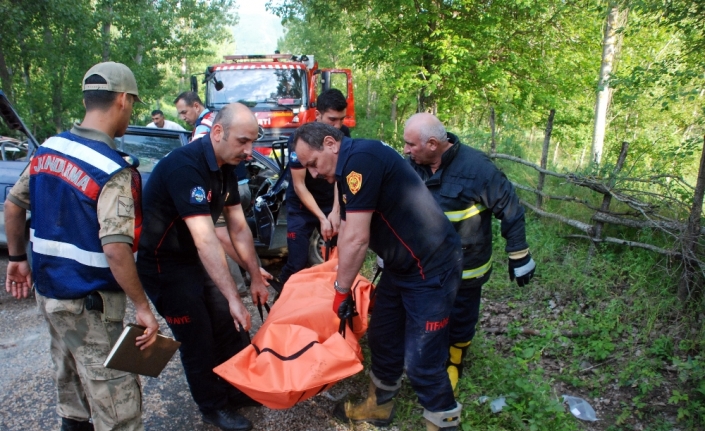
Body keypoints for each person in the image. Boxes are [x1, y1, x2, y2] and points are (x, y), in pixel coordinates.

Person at [4, 62, 160, 431]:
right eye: (132, 104)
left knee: (70, 385)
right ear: (123, 100)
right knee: (117, 405)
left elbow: (13, 205)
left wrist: (16, 259)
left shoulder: (48, 150)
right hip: (91, 306)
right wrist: (142, 306)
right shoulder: (113, 170)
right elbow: (116, 249)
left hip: (50, 297)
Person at [292, 122, 464, 431]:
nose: (314, 174)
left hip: (432, 267)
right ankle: (379, 408)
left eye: (313, 164)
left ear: (331, 144)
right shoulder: (351, 161)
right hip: (401, 266)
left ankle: (444, 421)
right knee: (383, 336)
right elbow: (346, 227)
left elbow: (357, 238)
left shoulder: (360, 161)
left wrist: (341, 291)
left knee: (422, 359)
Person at [136, 103, 270, 431]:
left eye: (253, 142)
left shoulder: (227, 165)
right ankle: (212, 406)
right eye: (243, 141)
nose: (249, 151)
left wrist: (254, 276)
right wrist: (234, 297)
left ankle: (235, 389)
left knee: (229, 326)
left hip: (193, 259)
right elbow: (205, 239)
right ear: (218, 132)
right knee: (198, 339)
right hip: (164, 266)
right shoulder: (186, 167)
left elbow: (237, 227)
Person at [403, 113, 536, 396]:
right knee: (424, 311)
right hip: (425, 266)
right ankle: (426, 353)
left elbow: (510, 208)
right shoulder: (410, 167)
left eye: (411, 145)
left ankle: (455, 359)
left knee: (461, 315)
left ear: (433, 144)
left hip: (467, 266)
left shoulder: (478, 170)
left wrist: (519, 254)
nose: (406, 150)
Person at [174, 91, 252, 294]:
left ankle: (238, 285)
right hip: (236, 187)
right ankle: (240, 283)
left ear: (196, 106)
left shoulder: (205, 130)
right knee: (220, 236)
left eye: (184, 112)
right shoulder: (216, 122)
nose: (182, 117)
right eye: (243, 142)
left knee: (222, 235)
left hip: (220, 188)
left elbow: (234, 232)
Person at [279, 88, 350, 284]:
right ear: (318, 115)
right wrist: (321, 218)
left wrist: (336, 211)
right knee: (297, 262)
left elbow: (340, 175)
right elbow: (299, 185)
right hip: (302, 205)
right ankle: (281, 304)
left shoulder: (343, 134)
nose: (338, 125)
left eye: (342, 119)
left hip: (330, 199)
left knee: (338, 259)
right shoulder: (299, 139)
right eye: (332, 120)